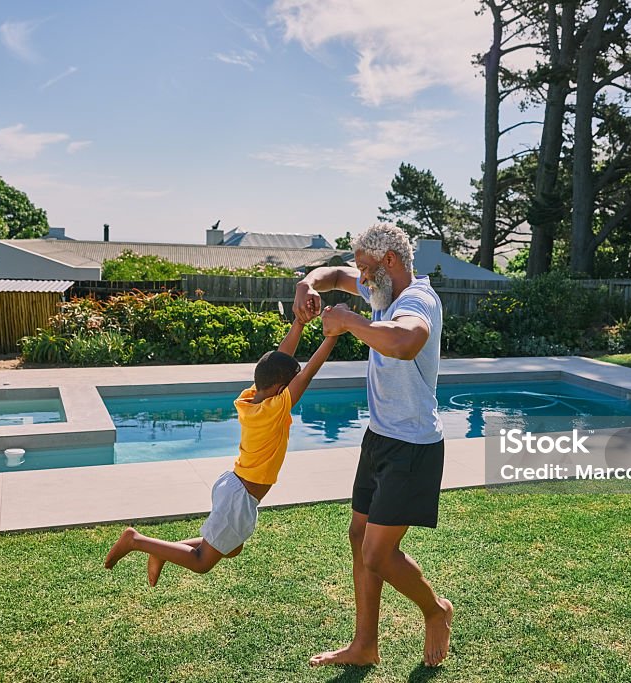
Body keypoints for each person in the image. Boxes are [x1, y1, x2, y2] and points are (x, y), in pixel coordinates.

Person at [294, 223, 453, 668]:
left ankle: (435, 610)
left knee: (378, 553)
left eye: (366, 269)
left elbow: (405, 342)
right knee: (359, 535)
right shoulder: (380, 292)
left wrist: (349, 322)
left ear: (390, 262)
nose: (360, 279)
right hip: (379, 437)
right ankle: (365, 646)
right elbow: (332, 277)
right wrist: (307, 284)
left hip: (412, 445)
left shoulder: (416, 301)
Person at [104, 317, 337, 585]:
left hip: (233, 485)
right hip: (240, 494)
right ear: (281, 389)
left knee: (232, 547)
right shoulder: (275, 409)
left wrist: (298, 323)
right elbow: (307, 374)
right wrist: (332, 335)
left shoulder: (250, 399)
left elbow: (280, 361)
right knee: (202, 562)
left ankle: (163, 551)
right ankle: (137, 541)